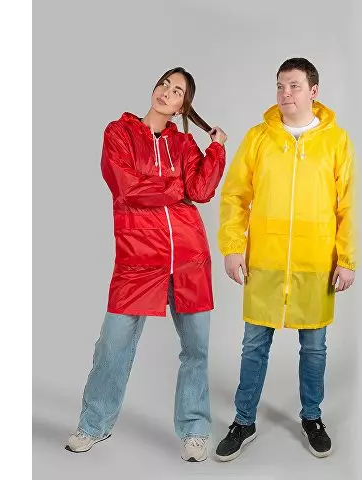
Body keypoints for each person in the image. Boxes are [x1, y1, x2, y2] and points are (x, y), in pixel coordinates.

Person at [65, 67, 227, 462]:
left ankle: (195, 430)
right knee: (113, 345)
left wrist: (216, 150)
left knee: (196, 350)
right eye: (164, 84)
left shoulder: (185, 143)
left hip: (188, 258)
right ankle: (93, 425)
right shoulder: (119, 133)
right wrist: (176, 188)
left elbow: (201, 190)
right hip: (137, 259)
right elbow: (128, 188)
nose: (166, 92)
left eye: (177, 91)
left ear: (182, 106)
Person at [215, 57, 357, 461]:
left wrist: (347, 258)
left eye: (294, 86)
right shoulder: (258, 138)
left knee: (314, 348)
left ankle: (312, 417)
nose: (285, 93)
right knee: (253, 345)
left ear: (314, 91)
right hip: (266, 261)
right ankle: (244, 421)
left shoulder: (336, 141)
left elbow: (350, 204)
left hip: (315, 263)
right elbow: (235, 195)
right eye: (280, 85)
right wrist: (232, 246)